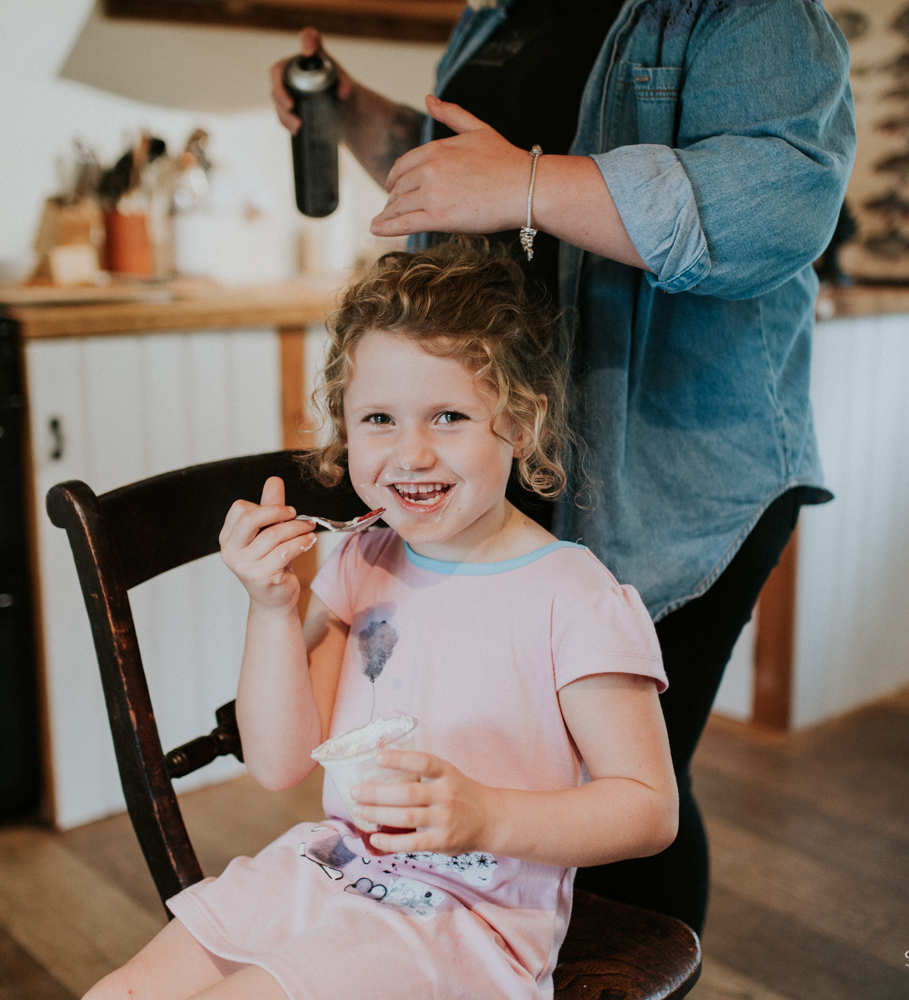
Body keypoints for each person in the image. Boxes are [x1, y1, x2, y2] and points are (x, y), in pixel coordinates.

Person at [271, 0, 855, 935]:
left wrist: (532, 182)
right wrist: (362, 117)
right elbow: (472, 185)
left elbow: (785, 200)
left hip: (671, 469)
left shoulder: (739, 13)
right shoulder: (496, 10)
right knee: (537, 765)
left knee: (625, 777)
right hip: (510, 457)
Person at [85, 241, 678, 1000]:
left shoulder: (574, 596)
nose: (411, 452)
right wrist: (271, 608)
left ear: (521, 423)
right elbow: (279, 763)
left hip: (467, 920)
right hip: (330, 868)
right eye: (378, 419)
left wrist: (488, 814)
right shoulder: (358, 562)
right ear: (346, 429)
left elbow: (648, 808)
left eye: (449, 416)